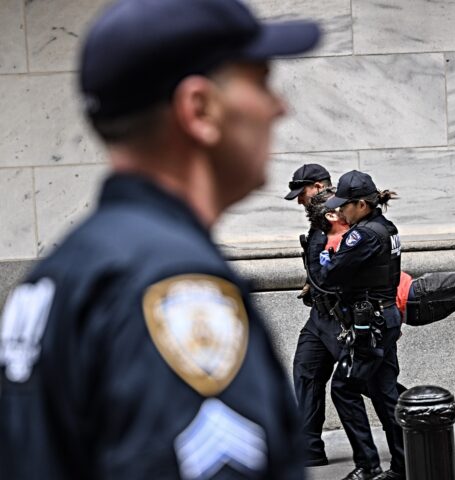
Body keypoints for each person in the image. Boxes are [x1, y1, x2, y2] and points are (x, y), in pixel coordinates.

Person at [0, 0, 321, 478]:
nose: (279, 107)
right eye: (259, 80)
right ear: (199, 109)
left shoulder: (62, 271)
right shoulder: (173, 286)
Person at [319, 170, 405, 480]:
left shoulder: (364, 234)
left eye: (345, 205)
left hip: (371, 324)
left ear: (362, 205)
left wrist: (327, 259)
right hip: (385, 317)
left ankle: (369, 466)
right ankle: (403, 465)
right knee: (385, 392)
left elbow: (331, 274)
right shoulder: (387, 227)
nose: (340, 211)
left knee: (343, 389)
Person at [284, 164, 340, 467]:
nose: (298, 200)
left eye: (301, 192)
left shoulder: (339, 215)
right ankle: (308, 448)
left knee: (369, 381)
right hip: (319, 317)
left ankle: (424, 423)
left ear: (318, 186)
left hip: (339, 316)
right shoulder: (319, 220)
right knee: (306, 371)